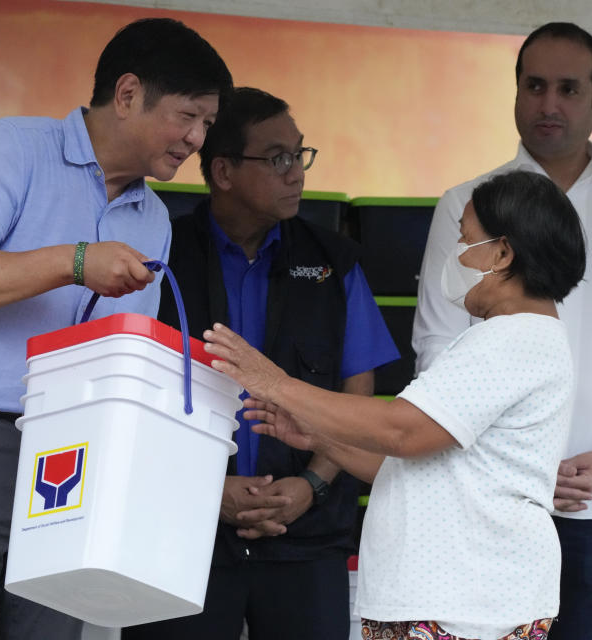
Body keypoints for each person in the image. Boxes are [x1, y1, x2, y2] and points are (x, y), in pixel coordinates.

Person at [0, 17, 231, 640]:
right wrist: (75, 261)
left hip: (72, 451)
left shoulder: (153, 217)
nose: (197, 139)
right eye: (188, 116)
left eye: (207, 123)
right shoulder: (13, 147)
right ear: (126, 95)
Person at [204, 169, 586, 640]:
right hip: (454, 600)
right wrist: (321, 436)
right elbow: (419, 462)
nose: (455, 256)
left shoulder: (513, 338)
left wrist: (276, 383)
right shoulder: (511, 338)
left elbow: (402, 430)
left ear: (503, 253)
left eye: (466, 240)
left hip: (467, 604)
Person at [411, 22, 592, 639]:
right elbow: (436, 346)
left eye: (568, 88)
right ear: (514, 93)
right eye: (534, 86)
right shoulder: (465, 204)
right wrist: (501, 458)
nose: (549, 104)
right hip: (486, 491)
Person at [123, 87, 399, 640]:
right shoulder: (159, 255)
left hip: (307, 535)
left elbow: (358, 393)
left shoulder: (331, 261)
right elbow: (132, 395)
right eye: (277, 158)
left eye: (299, 155)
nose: (296, 172)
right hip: (180, 533)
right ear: (222, 171)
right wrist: (205, 490)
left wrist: (313, 485)